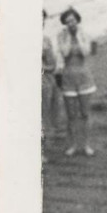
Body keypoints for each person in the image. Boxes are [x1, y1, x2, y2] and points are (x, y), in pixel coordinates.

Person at [57, 8, 96, 156]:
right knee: (71, 115)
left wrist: (79, 36)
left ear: (77, 20)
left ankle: (86, 145)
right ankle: (73, 145)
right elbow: (65, 53)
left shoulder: (85, 33)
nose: (70, 24)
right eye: (67, 22)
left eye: (73, 20)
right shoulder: (60, 35)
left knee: (85, 113)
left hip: (84, 76)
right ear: (64, 24)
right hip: (68, 76)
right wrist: (68, 37)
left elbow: (87, 52)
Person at [42, 10, 63, 151]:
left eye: (42, 19)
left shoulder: (46, 39)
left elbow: (52, 63)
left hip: (47, 80)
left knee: (47, 111)